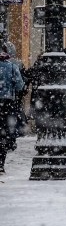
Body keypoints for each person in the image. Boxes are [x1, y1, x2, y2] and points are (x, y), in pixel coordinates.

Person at [0, 46, 25, 174]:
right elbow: (20, 86)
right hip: (7, 102)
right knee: (3, 131)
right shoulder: (12, 67)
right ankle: (1, 162)